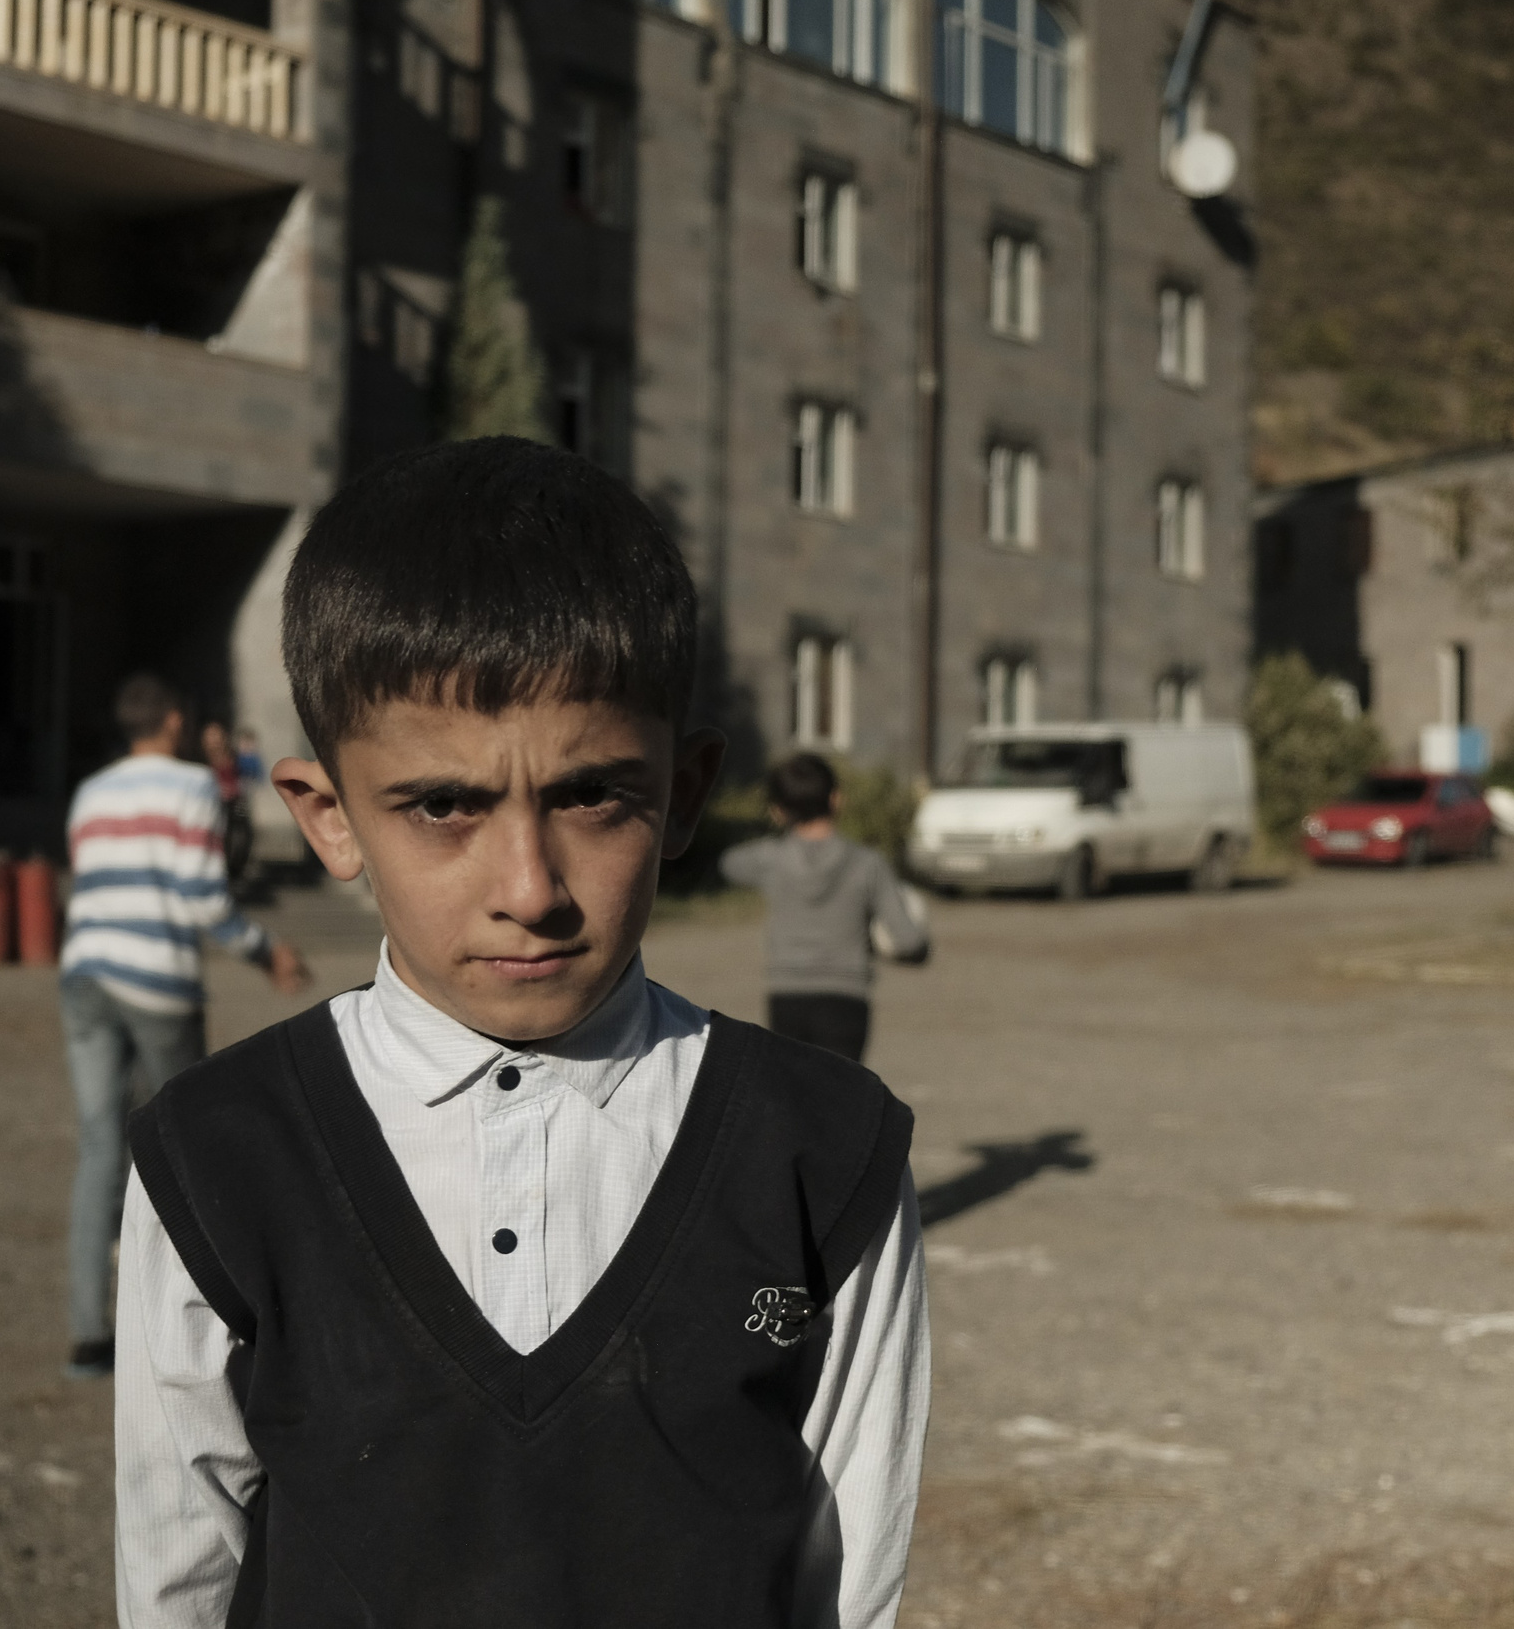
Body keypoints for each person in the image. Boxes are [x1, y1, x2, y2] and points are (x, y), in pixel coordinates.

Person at [115, 437, 930, 1629]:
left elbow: (849, 1588)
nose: (530, 886)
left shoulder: (824, 1154)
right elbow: (172, 1565)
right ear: (329, 819)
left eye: (591, 796)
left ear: (686, 794)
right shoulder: (217, 1154)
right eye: (443, 805)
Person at [59, 675, 310, 1379]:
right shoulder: (192, 788)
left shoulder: (91, 793)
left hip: (83, 971)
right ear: (172, 720)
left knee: (99, 1147)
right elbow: (203, 901)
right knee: (177, 1147)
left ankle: (85, 1332)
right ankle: (175, 1325)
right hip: (156, 978)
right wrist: (268, 950)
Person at [720, 752, 930, 1066]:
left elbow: (728, 865)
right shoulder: (868, 864)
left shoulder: (769, 859)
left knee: (793, 1104)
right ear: (836, 799)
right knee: (840, 1106)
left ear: (778, 810)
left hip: (786, 995)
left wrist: (777, 834)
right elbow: (908, 941)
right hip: (847, 998)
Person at [201, 716, 257, 887]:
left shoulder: (233, 755)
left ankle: (234, 871)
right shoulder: (201, 759)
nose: (214, 740)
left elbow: (246, 775)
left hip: (233, 803)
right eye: (210, 736)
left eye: (217, 735)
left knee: (241, 835)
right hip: (211, 805)